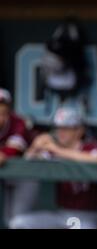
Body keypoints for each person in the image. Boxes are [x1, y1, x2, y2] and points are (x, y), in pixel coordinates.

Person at [10, 107, 97, 229]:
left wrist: (57, 150)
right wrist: (36, 145)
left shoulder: (90, 147)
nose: (61, 132)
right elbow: (29, 159)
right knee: (19, 223)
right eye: (59, 128)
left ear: (79, 130)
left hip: (88, 216)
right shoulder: (52, 151)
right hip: (61, 214)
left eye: (66, 128)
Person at [0, 88, 37, 227]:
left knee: (18, 221)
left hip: (25, 177)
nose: (0, 117)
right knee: (7, 219)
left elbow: (12, 150)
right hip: (6, 176)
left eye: (3, 112)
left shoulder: (18, 123)